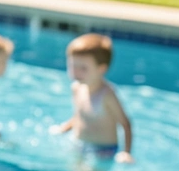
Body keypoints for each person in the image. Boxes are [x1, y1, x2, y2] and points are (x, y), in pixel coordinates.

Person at [53, 33, 135, 164]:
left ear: (101, 69)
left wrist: (126, 152)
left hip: (102, 151)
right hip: (78, 144)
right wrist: (65, 128)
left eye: (83, 68)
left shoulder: (107, 94)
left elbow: (126, 123)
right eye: (72, 65)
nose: (76, 72)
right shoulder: (76, 88)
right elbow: (79, 115)